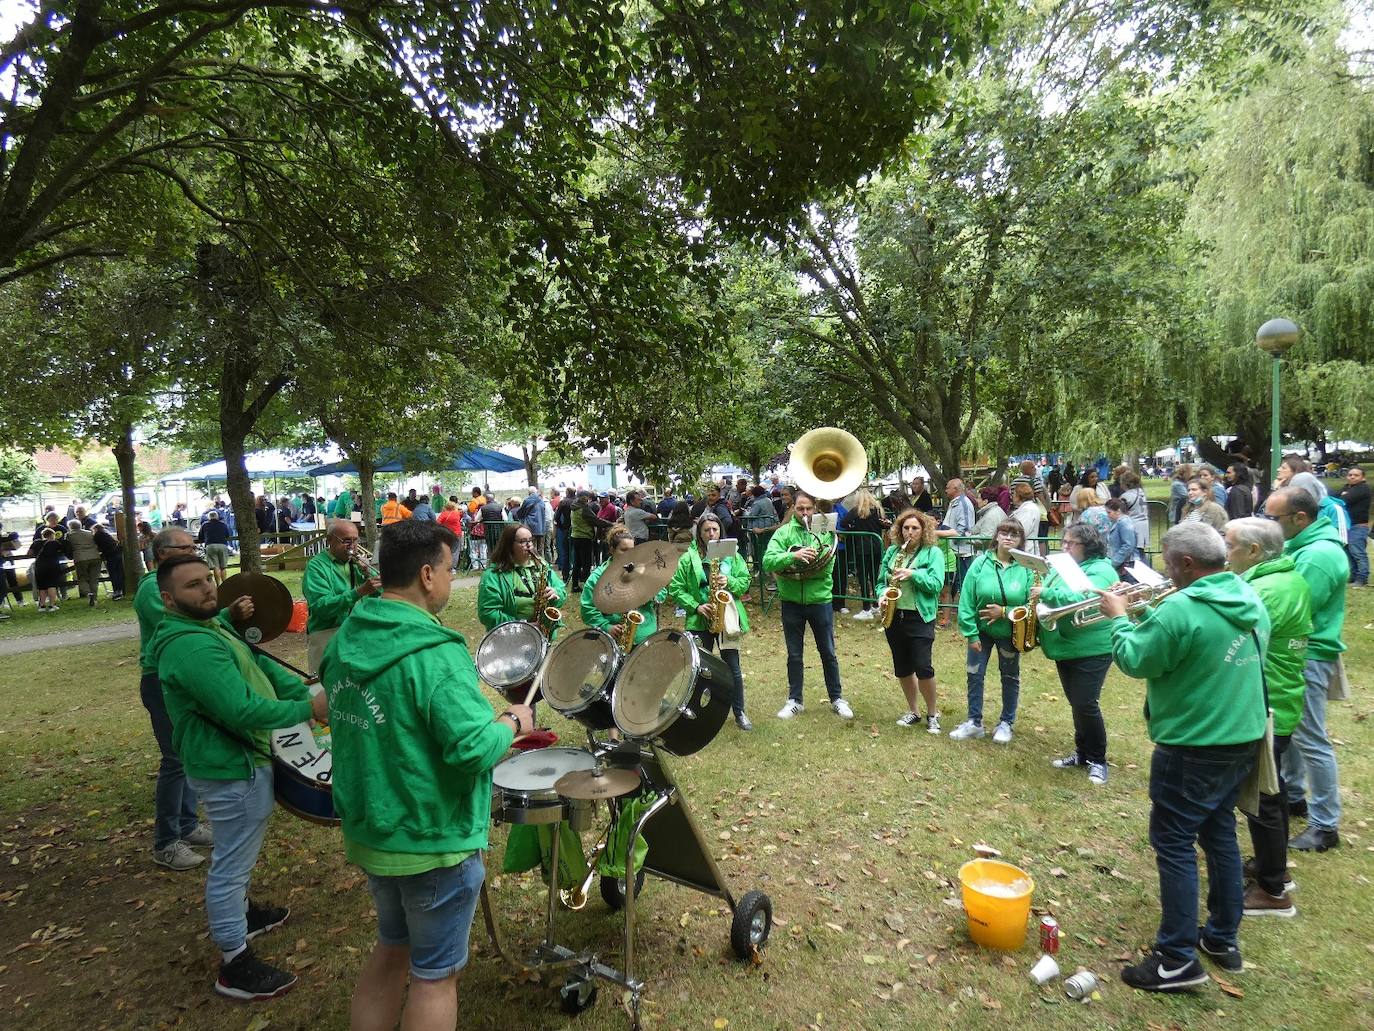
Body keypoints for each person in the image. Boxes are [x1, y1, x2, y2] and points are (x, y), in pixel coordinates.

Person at [316, 519, 529, 1030]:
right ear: (428, 574)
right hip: (431, 840)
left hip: (374, 831)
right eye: (452, 571)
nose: (453, 582)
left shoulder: (350, 634)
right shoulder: (437, 654)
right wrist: (512, 721)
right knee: (434, 976)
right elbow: (473, 748)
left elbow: (331, 704)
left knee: (392, 949)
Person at [151, 554, 328, 1001]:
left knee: (238, 853)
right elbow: (242, 709)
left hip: (242, 762)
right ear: (168, 598)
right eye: (193, 586)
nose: (208, 589)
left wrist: (308, 690)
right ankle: (235, 962)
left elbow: (262, 670)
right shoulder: (191, 646)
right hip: (230, 768)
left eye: (209, 580)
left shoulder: (214, 626)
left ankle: (244, 914)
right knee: (231, 865)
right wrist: (310, 709)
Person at [1100, 523, 1267, 992]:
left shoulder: (1181, 608)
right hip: (1241, 737)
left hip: (1193, 744)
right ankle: (1221, 938)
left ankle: (1175, 959)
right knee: (1219, 835)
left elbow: (1136, 659)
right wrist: (1150, 610)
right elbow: (1196, 645)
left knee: (1173, 843)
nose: (1164, 571)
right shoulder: (1247, 596)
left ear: (1188, 565)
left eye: (1169, 563)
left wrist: (1118, 616)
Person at [1224, 517, 1311, 917]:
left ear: (1254, 551)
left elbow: (1230, 638)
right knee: (1269, 791)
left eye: (1229, 546)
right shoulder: (1286, 578)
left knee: (1263, 797)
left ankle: (1273, 890)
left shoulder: (1261, 590)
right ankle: (1269, 866)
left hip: (1265, 701)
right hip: (1281, 696)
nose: (1224, 554)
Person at [1264, 486, 1348, 853]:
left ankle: (1325, 824)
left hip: (1309, 653)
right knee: (1293, 730)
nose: (1269, 525)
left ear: (1300, 519)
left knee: (1311, 737)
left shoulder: (1318, 556)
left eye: (1274, 519)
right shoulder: (1303, 548)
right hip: (1301, 651)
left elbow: (1296, 610)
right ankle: (1294, 795)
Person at [1033, 523, 1118, 786]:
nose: (1065, 547)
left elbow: (1077, 597)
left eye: (1071, 543)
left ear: (1088, 546)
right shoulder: (1070, 565)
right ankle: (1082, 753)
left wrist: (1045, 593)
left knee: (1085, 703)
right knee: (1077, 702)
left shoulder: (1101, 569)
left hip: (1092, 648)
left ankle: (1098, 760)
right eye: (1064, 542)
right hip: (1068, 644)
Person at [764, 491, 852, 720]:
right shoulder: (784, 532)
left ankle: (837, 698)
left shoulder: (824, 530)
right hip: (791, 601)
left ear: (815, 509)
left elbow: (827, 564)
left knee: (828, 652)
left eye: (809, 509)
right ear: (793, 508)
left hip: (820, 600)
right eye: (800, 508)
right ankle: (795, 700)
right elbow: (767, 561)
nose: (804, 513)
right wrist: (793, 557)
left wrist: (792, 570)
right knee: (794, 654)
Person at [666, 513, 753, 729]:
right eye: (706, 530)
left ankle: (739, 712)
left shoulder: (731, 555)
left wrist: (729, 581)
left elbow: (744, 581)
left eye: (715, 529)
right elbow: (675, 588)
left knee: (733, 666)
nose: (711, 533)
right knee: (699, 669)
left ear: (720, 530)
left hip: (727, 619)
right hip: (700, 619)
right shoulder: (688, 557)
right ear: (700, 533)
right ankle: (695, 714)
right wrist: (696, 606)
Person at [951, 520, 1032, 744]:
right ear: (996, 536)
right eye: (1004, 532)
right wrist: (971, 632)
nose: (1008, 538)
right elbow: (967, 600)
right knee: (974, 674)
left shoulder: (1026, 568)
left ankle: (1006, 722)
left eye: (1014, 534)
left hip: (1010, 633)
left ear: (1021, 540)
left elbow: (1032, 606)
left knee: (1010, 676)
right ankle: (974, 721)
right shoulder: (980, 564)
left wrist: (1005, 612)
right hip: (981, 632)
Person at [876, 509, 946, 731]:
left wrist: (913, 574)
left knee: (923, 666)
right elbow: (880, 580)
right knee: (903, 667)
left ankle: (932, 714)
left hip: (920, 616)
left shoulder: (933, 553)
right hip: (895, 616)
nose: (910, 532)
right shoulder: (893, 551)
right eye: (906, 528)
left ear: (923, 530)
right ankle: (914, 711)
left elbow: (936, 584)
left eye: (915, 528)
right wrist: (880, 595)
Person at [302, 519, 381, 674]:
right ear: (330, 540)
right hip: (327, 633)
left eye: (355, 540)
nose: (352, 546)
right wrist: (359, 592)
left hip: (357, 630)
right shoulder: (316, 567)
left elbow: (381, 594)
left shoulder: (357, 563)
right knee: (325, 685)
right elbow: (321, 607)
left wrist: (367, 573)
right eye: (346, 541)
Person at [580, 524, 665, 648]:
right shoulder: (598, 577)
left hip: (645, 634)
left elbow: (661, 593)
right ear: (611, 550)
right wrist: (606, 626)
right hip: (614, 637)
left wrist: (650, 594)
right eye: (624, 550)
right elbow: (587, 608)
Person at [478, 523, 567, 633]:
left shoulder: (541, 565)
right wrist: (521, 625)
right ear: (509, 545)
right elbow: (487, 614)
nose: (529, 545)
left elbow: (562, 591)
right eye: (522, 541)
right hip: (509, 638)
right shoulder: (493, 575)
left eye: (530, 540)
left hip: (542, 634)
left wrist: (556, 593)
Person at [840, 489, 886, 620]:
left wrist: (854, 528)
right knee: (874, 576)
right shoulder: (878, 510)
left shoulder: (857, 511)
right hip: (877, 546)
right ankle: (876, 605)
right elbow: (884, 525)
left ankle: (866, 609)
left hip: (862, 548)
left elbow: (843, 523)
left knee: (863, 577)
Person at [935, 478, 976, 599]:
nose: (945, 490)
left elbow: (963, 531)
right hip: (955, 550)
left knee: (963, 583)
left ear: (956, 489)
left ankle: (965, 609)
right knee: (955, 584)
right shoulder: (955, 502)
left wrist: (937, 533)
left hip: (962, 552)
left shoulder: (963, 503)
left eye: (948, 487)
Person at [569, 491, 611, 590]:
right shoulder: (583, 509)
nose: (588, 500)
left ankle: (575, 585)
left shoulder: (574, 507)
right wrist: (611, 524)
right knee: (586, 563)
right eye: (587, 497)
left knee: (577, 562)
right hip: (584, 537)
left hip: (575, 536)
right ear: (584, 498)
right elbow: (596, 521)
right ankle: (589, 586)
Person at [1340, 466, 1370, 586]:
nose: (1352, 477)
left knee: (1358, 553)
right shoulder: (1347, 487)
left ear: (1363, 478)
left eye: (1356, 475)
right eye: (1350, 475)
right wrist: (1343, 494)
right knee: (1348, 552)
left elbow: (1344, 500)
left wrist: (1344, 495)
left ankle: (1362, 578)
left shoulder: (1363, 489)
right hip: (1347, 526)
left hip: (1358, 526)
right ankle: (1353, 576)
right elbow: (1336, 497)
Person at [29, 527, 71, 611]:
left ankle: (42, 606)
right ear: (52, 535)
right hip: (52, 565)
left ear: (43, 535)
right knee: (51, 585)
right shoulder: (55, 543)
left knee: (42, 587)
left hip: (39, 566)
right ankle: (52, 605)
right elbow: (64, 551)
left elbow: (29, 553)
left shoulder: (36, 542)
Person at [67, 519, 103, 605]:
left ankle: (88, 593)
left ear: (70, 527)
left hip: (80, 558)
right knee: (94, 578)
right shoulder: (89, 532)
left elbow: (67, 546)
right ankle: (94, 598)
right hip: (95, 556)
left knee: (82, 578)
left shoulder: (69, 535)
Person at [1118, 470, 1150, 559]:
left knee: (1134, 554)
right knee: (1141, 552)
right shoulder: (1141, 492)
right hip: (1144, 524)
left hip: (1133, 525)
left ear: (1125, 483)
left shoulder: (1126, 496)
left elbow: (1121, 513)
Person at [197, 510, 234, 585]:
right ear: (217, 517)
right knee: (223, 567)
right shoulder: (223, 524)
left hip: (210, 546)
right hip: (222, 545)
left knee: (215, 567)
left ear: (209, 517)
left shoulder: (205, 525)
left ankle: (218, 585)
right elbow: (227, 535)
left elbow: (200, 537)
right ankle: (225, 585)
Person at [1104, 499, 1138, 576]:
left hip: (1127, 565)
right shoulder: (1116, 522)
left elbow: (1128, 545)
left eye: (1109, 512)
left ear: (1118, 511)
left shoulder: (1124, 523)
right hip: (1121, 564)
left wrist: (1114, 562)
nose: (1107, 515)